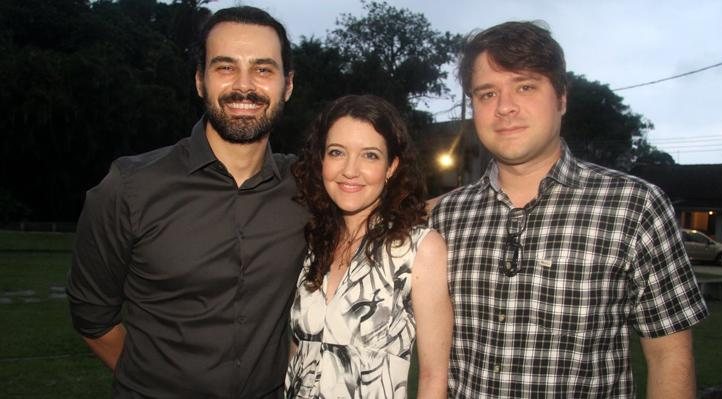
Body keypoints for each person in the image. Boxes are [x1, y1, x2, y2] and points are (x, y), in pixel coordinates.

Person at [429, 21, 709, 398]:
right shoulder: (445, 218)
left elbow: (668, 357)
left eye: (525, 86)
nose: (505, 107)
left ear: (561, 98)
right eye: (487, 94)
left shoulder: (635, 207)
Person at [66, 7, 308, 398]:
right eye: (225, 68)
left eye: (263, 70)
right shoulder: (130, 187)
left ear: (288, 85)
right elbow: (93, 318)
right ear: (199, 80)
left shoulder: (309, 188)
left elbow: (386, 205)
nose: (244, 86)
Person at [287, 95, 453, 398]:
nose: (350, 170)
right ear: (321, 159)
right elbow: (296, 352)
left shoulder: (420, 248)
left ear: (392, 166)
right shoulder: (311, 242)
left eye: (370, 156)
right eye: (337, 152)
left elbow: (432, 377)